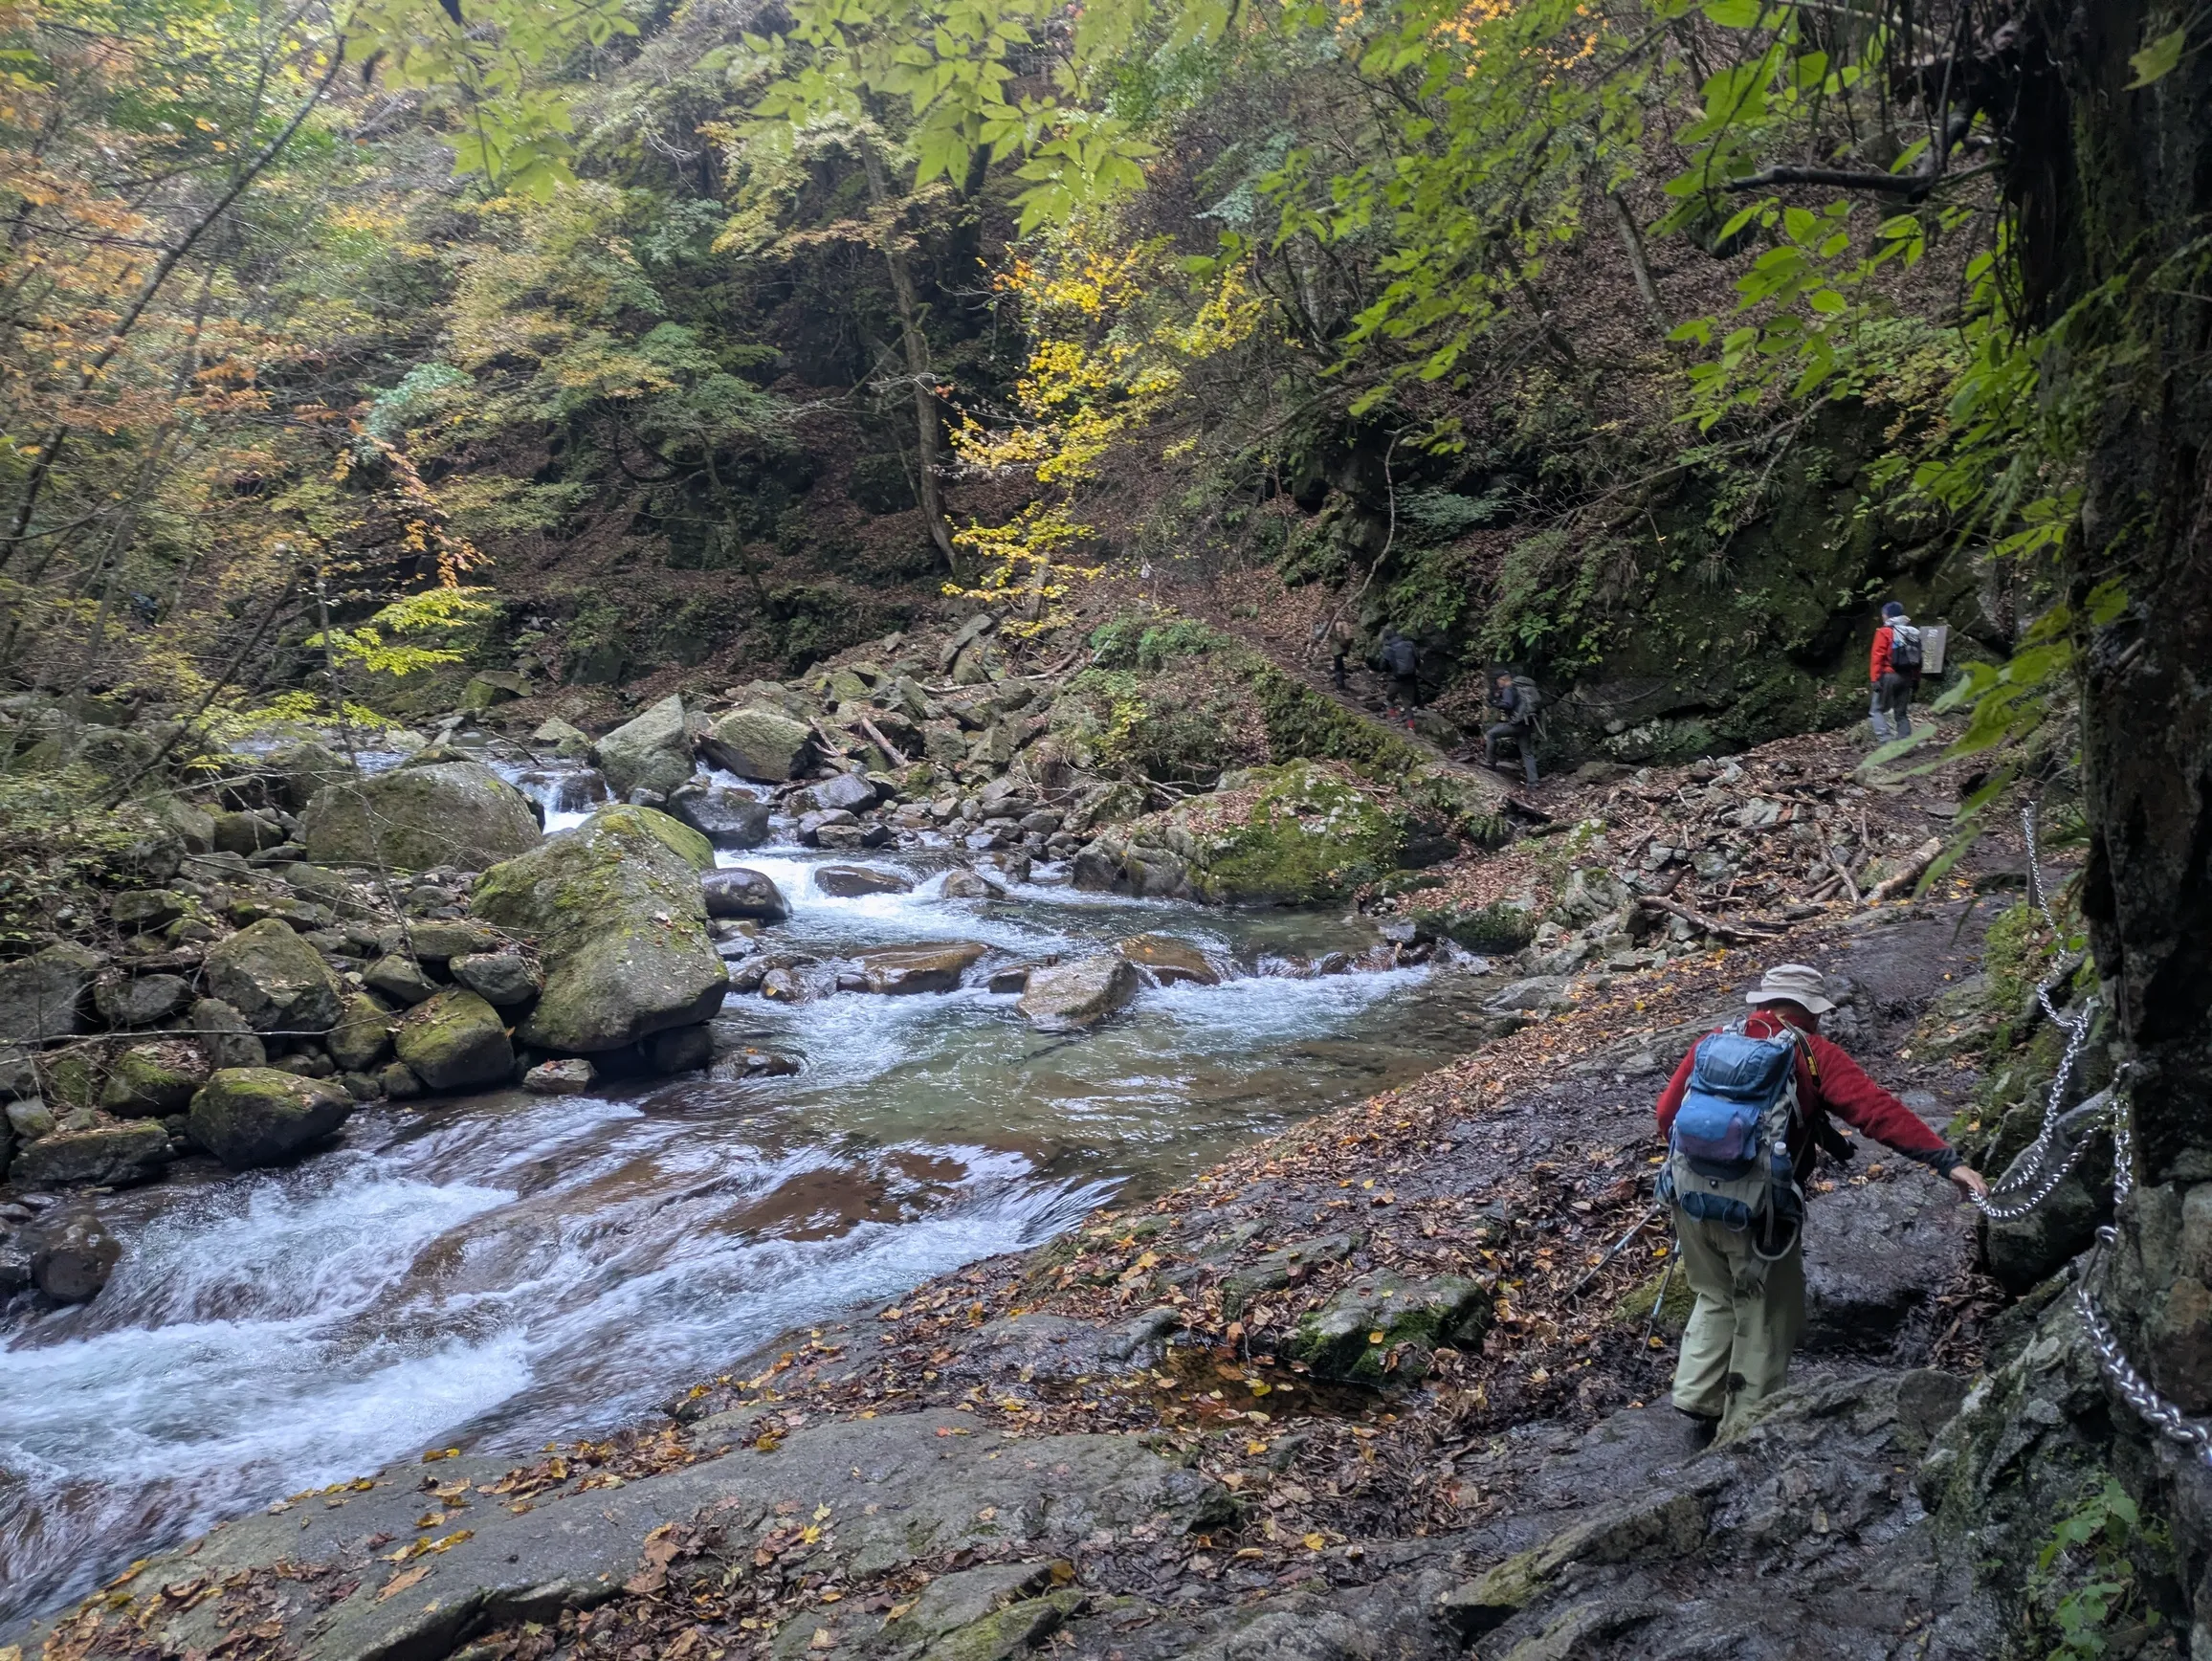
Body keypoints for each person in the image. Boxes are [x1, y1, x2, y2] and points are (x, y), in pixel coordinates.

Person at [1653, 963, 1987, 1438]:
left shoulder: (1712, 1042)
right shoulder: (1813, 1053)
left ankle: (1696, 1396)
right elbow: (1876, 1111)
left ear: (1763, 1002)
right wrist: (1945, 1161)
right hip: (1758, 1211)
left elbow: (1667, 1116)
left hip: (1686, 1197)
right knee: (1767, 1308)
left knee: (1715, 1293)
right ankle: (1748, 1425)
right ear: (1812, 1012)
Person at [1869, 601, 1923, 742]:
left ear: (1887, 615)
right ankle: (1905, 744)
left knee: (1876, 710)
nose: (1882, 617)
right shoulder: (1912, 632)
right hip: (1907, 676)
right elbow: (1918, 658)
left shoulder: (1884, 632)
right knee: (1901, 714)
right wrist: (1916, 679)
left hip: (1888, 675)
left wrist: (1875, 679)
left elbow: (1877, 657)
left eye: (1883, 614)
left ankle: (1887, 743)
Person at [1483, 668, 1539, 788]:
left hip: (1516, 725)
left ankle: (1490, 763)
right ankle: (1533, 782)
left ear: (1502, 680)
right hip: (1527, 724)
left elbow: (1508, 704)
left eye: (1498, 681)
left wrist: (1494, 703)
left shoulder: (1509, 689)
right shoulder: (1521, 689)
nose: (1498, 683)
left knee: (1491, 734)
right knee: (1527, 753)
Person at [1381, 630, 1421, 715]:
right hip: (1411, 677)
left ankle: (1392, 717)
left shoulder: (1388, 648)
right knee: (1408, 703)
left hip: (1396, 678)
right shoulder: (1409, 644)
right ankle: (1411, 726)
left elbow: (1383, 665)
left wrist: (1388, 671)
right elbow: (1417, 658)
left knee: (1390, 698)